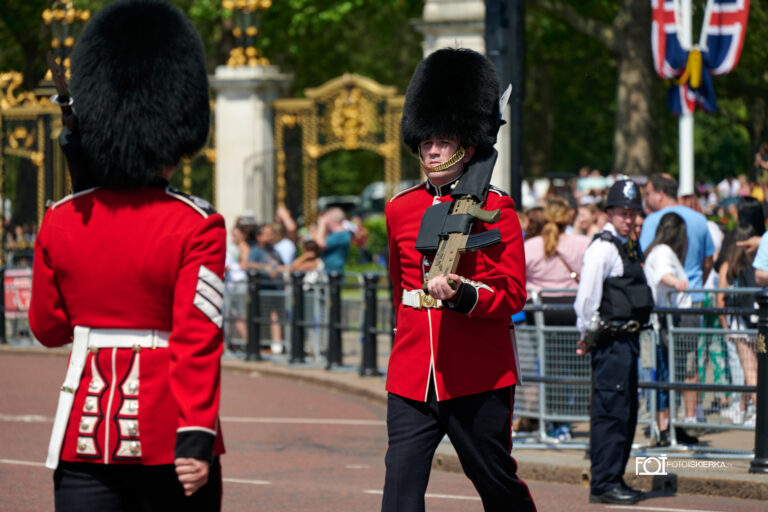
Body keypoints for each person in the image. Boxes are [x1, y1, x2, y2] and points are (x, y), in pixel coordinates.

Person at [28, 1, 225, 510]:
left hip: (83, 434)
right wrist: (197, 434)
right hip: (172, 438)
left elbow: (48, 328)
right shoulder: (196, 223)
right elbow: (198, 338)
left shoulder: (62, 219)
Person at [382, 48, 536, 512]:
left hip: (476, 374)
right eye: (426, 141)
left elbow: (512, 292)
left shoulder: (498, 206)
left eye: (443, 141)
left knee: (496, 483)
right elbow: (399, 290)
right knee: (400, 491)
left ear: (466, 148)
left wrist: (464, 294)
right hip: (412, 374)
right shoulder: (400, 209)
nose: (431, 149)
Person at [574, 179, 652, 505]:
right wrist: (586, 336)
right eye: (623, 213)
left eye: (633, 213)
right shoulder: (603, 248)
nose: (629, 219)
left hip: (626, 341)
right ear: (610, 213)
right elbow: (586, 299)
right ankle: (604, 483)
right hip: (610, 343)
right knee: (610, 413)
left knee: (625, 412)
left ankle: (613, 478)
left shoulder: (625, 244)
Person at [640, 174, 715, 427]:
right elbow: (708, 260)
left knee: (664, 364)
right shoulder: (700, 219)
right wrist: (696, 282)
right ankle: (690, 417)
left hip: (667, 302)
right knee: (690, 363)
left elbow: (646, 261)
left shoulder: (653, 221)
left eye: (648, 193)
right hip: (692, 297)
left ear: (659, 194)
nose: (647, 199)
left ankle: (663, 420)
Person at [642, 212, 700, 445]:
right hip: (663, 322)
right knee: (665, 375)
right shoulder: (664, 251)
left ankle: (668, 425)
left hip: (664, 321)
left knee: (668, 374)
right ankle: (664, 426)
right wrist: (676, 282)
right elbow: (663, 274)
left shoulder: (658, 251)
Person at [717, 225, 759, 426]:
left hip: (740, 324)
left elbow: (720, 300)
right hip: (760, 322)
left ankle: (759, 413)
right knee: (756, 369)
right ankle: (743, 407)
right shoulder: (761, 263)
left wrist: (725, 328)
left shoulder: (729, 266)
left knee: (750, 371)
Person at [313, 206, 351, 274]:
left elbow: (320, 243)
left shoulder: (341, 234)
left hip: (333, 272)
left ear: (333, 220)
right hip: (329, 271)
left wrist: (322, 224)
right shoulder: (336, 234)